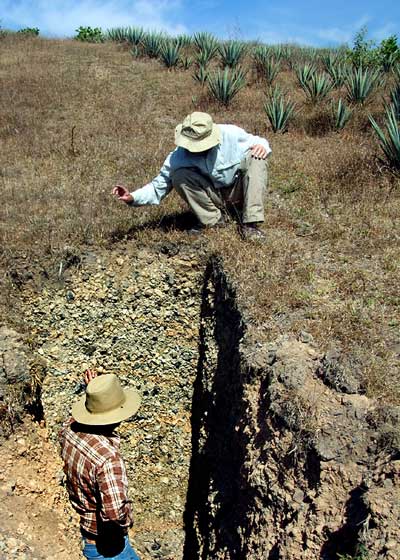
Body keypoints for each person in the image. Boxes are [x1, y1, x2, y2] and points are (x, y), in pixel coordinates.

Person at [112, 112, 271, 240]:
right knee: (179, 176)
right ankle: (214, 221)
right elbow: (157, 187)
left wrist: (262, 147)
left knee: (257, 158)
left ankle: (251, 223)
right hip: (215, 197)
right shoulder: (178, 157)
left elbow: (259, 141)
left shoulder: (231, 134)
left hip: (239, 190)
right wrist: (132, 197)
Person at [59, 370, 141, 559]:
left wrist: (95, 392)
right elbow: (114, 514)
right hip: (108, 548)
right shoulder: (109, 460)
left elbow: (78, 417)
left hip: (86, 535)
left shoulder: (68, 430)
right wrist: (127, 520)